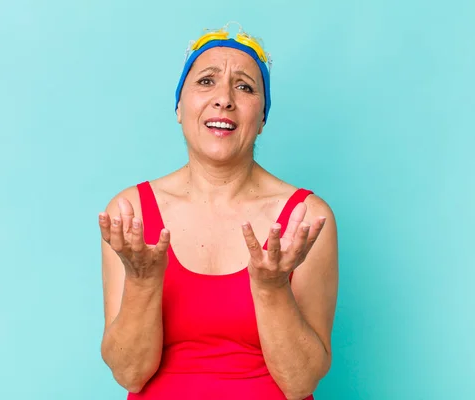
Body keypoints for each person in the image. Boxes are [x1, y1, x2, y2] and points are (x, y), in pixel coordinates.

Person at [98, 22, 339, 400]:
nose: (224, 98)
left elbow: (300, 382)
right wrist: (143, 282)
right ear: (179, 107)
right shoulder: (131, 214)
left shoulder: (305, 218)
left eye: (244, 86)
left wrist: (273, 288)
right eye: (206, 81)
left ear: (262, 119)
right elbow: (129, 373)